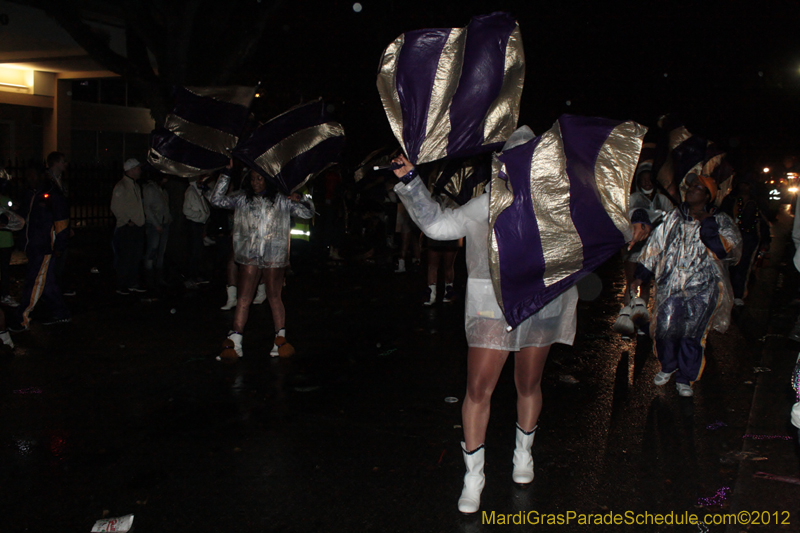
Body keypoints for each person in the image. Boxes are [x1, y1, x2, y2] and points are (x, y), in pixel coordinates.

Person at [391, 151, 580, 514]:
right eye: (509, 164)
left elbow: (588, 239)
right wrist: (412, 182)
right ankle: (473, 476)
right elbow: (439, 227)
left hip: (538, 305)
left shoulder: (555, 204)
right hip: (490, 305)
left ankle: (523, 454)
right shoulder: (487, 202)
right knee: (477, 388)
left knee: (528, 383)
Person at [632, 173, 742, 397]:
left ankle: (685, 377)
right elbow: (654, 247)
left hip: (703, 288)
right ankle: (668, 366)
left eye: (698, 188)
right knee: (664, 329)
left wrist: (707, 223)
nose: (690, 190)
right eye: (690, 186)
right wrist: (639, 277)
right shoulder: (673, 216)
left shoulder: (720, 220)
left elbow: (722, 249)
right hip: (670, 286)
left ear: (708, 196)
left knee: (692, 333)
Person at [210, 165, 314, 360]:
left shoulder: (282, 199)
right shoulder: (242, 198)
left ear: (268, 179)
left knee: (274, 297)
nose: (256, 183)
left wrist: (301, 197)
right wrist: (226, 173)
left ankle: (280, 340)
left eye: (260, 178)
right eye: (252, 179)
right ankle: (236, 341)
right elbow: (216, 200)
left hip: (274, 254)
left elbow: (308, 213)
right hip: (250, 254)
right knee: (244, 298)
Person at [8, 167, 69, 331]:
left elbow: (62, 224)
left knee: (33, 282)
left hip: (44, 247)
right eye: (28, 175)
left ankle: (22, 319)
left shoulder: (52, 195)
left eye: (32, 174)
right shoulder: (30, 193)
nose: (29, 178)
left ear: (41, 175)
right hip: (33, 245)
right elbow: (23, 217)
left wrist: (59, 246)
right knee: (46, 282)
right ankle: (60, 312)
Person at [719, 178, 770, 305]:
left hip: (749, 238)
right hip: (730, 237)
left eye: (747, 184)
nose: (744, 186)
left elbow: (763, 222)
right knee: (727, 265)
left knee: (744, 266)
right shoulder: (730, 200)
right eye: (742, 183)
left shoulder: (756, 203)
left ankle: (738, 294)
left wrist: (765, 241)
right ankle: (724, 292)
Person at [110, 158, 146, 295]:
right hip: (128, 227)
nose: (139, 170)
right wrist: (127, 220)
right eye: (137, 168)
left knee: (135, 256)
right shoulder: (122, 186)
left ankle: (132, 282)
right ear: (130, 170)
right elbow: (116, 207)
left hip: (137, 226)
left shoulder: (135, 186)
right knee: (126, 257)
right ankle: (121, 284)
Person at [423, 186, 462, 306]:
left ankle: (446, 292)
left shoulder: (456, 195)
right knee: (435, 265)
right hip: (439, 231)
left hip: (449, 232)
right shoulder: (434, 195)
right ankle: (433, 293)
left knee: (446, 265)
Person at [44, 151, 75, 296]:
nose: (65, 164)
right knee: (52, 257)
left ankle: (58, 287)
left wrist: (68, 226)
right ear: (55, 163)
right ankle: (50, 290)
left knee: (62, 257)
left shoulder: (61, 181)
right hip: (50, 227)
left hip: (61, 225)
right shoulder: (46, 182)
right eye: (63, 161)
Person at [142, 172, 172, 288]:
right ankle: (149, 279)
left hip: (164, 223)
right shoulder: (150, 189)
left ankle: (158, 277)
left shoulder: (162, 190)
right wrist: (156, 224)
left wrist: (168, 218)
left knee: (161, 252)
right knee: (152, 251)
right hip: (154, 225)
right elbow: (148, 208)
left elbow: (165, 206)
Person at [183, 175, 213, 285]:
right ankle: (192, 276)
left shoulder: (197, 192)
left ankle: (196, 274)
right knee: (194, 251)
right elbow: (186, 210)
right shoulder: (191, 192)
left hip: (198, 224)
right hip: (194, 224)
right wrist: (200, 216)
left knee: (198, 251)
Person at [0, 176, 18, 306]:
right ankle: (4, 294)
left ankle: (5, 294)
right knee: (5, 269)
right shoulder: (7, 201)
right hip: (5, 241)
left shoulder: (7, 201)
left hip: (5, 240)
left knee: (5, 269)